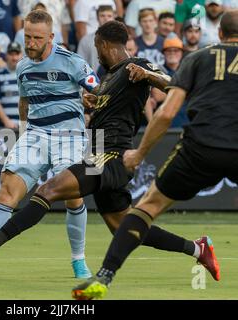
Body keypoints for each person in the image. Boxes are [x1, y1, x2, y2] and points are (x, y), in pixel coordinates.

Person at [0, 21, 219, 297]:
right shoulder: (109, 78)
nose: (96, 54)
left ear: (107, 45)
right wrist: (92, 105)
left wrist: (147, 74)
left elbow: (173, 85)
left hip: (112, 155)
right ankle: (198, 248)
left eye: (97, 47)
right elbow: (110, 111)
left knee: (47, 190)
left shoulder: (137, 65)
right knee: (126, 227)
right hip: (98, 151)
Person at [74, 9, 238, 300]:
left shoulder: (198, 58)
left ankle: (104, 276)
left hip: (200, 147)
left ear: (220, 35)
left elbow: (167, 113)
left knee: (147, 207)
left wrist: (139, 153)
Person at [0, 10, 100, 278]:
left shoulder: (73, 63)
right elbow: (24, 102)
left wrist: (92, 101)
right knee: (7, 190)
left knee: (73, 197)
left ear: (51, 37)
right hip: (35, 134)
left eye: (36, 38)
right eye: (27, 36)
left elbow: (99, 93)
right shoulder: (23, 66)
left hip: (70, 136)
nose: (30, 42)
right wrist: (22, 134)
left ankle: (79, 260)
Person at [0, 42, 23, 128]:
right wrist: (6, 121)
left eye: (17, 54)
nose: (14, 58)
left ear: (21, 55)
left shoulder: (29, 74)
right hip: (5, 125)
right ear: (6, 55)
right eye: (11, 54)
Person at [77, 5, 116, 73]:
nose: (106, 19)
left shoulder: (119, 39)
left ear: (114, 18)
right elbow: (80, 65)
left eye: (109, 16)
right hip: (94, 80)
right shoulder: (86, 40)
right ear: (97, 18)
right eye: (102, 16)